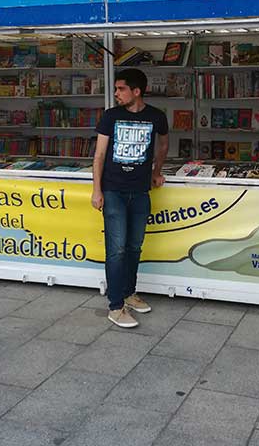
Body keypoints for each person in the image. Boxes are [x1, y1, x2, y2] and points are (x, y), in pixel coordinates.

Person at [91, 68, 169, 328]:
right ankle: (115, 306)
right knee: (117, 249)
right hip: (113, 190)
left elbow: (164, 144)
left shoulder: (156, 116)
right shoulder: (111, 116)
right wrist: (96, 189)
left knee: (135, 246)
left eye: (121, 89)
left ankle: (128, 292)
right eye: (116, 89)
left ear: (136, 91)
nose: (116, 93)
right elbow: (99, 155)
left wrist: (157, 172)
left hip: (140, 191)